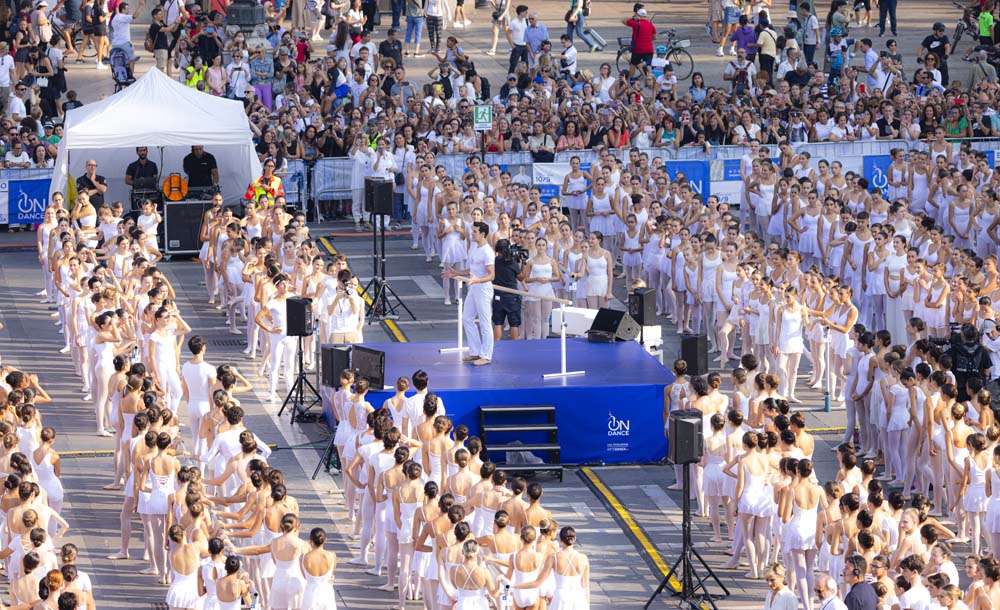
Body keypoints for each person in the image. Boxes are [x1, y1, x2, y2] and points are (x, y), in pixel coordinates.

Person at [453, 221, 495, 366]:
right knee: (466, 318)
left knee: (485, 322)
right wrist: (456, 272)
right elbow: (471, 270)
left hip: (483, 288)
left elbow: (491, 275)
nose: (472, 234)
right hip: (474, 286)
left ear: (482, 234)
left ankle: (486, 355)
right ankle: (475, 351)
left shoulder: (487, 251)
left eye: (475, 232)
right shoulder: (474, 248)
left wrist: (478, 280)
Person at [949, 323, 992, 402]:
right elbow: (987, 372)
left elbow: (945, 363)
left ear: (962, 335)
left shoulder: (955, 349)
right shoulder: (982, 350)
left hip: (960, 388)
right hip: (977, 389)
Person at [108, 0, 144, 73]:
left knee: (119, 61)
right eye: (127, 9)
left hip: (115, 44)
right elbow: (134, 16)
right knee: (132, 60)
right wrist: (140, 5)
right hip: (124, 43)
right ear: (122, 10)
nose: (128, 11)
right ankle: (130, 76)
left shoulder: (115, 18)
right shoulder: (123, 17)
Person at [624, 5, 656, 79]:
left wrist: (633, 18)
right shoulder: (651, 25)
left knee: (633, 64)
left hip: (638, 49)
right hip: (649, 49)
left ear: (638, 15)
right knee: (648, 65)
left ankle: (630, 80)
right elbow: (654, 37)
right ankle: (650, 79)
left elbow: (624, 21)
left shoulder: (635, 23)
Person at [505, 5, 529, 74]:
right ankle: (511, 76)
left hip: (525, 45)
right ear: (521, 12)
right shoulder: (514, 22)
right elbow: (508, 33)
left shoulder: (526, 21)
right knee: (513, 64)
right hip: (517, 45)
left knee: (525, 64)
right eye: (525, 12)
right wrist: (512, 45)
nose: (526, 13)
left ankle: (524, 77)